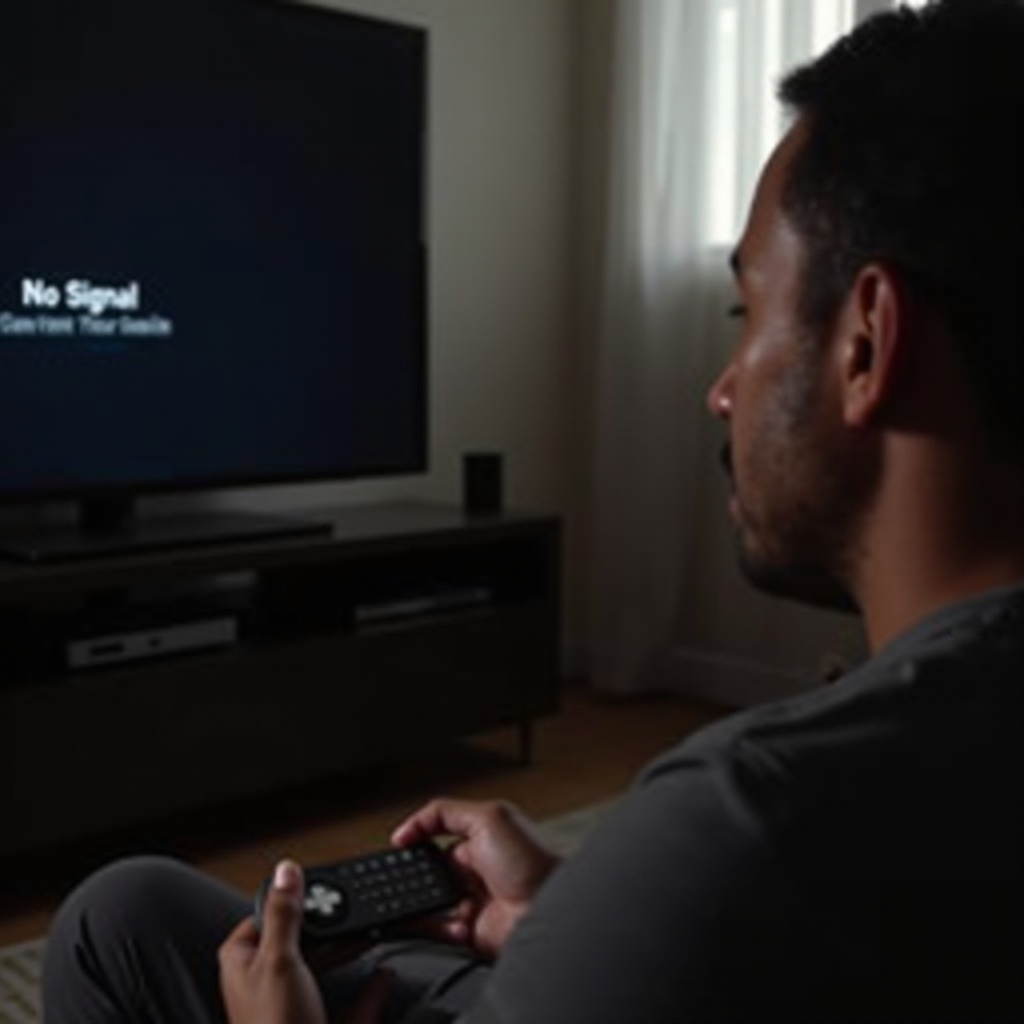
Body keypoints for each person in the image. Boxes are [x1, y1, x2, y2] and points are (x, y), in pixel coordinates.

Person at [42, 1, 1023, 1021]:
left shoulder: (739, 823)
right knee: (131, 904)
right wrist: (578, 915)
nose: (722, 389)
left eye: (749, 314)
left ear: (866, 342)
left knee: (114, 931)